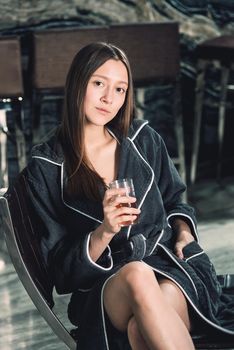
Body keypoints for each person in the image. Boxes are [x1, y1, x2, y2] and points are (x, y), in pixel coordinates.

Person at [13, 42, 234, 349]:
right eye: (99, 84)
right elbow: (61, 272)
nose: (108, 98)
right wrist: (105, 230)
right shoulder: (47, 167)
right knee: (136, 274)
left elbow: (176, 201)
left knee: (137, 331)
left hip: (170, 267)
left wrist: (183, 234)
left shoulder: (142, 139)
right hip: (106, 286)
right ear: (78, 83)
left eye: (120, 89)